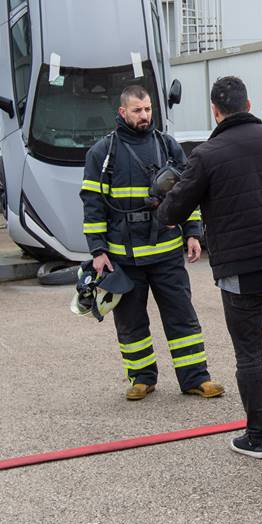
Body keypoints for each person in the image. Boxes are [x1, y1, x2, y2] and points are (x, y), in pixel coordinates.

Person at [157, 75, 262, 460]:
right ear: (248, 105)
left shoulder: (206, 155)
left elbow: (173, 211)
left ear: (215, 110)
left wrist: (162, 200)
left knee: (249, 355)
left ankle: (259, 437)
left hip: (240, 272)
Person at [79, 85, 223, 402]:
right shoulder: (102, 153)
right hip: (124, 258)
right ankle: (141, 379)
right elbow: (93, 205)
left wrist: (192, 232)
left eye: (147, 109)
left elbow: (188, 192)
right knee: (131, 323)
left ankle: (196, 378)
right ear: (122, 112)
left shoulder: (167, 145)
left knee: (182, 317)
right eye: (137, 110)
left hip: (166, 253)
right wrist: (98, 251)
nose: (144, 115)